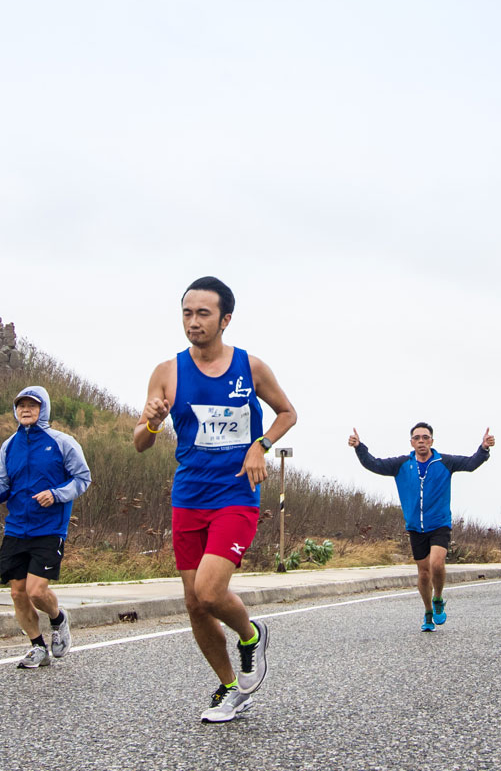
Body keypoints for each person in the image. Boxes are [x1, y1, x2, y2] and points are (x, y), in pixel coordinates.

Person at [134, 276, 298, 723]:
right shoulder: (167, 372)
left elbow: (288, 412)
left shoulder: (251, 367)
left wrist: (259, 445)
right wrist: (151, 422)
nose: (193, 322)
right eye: (187, 313)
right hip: (188, 497)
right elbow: (140, 443)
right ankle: (231, 687)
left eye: (203, 314)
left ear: (225, 319)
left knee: (209, 591)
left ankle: (251, 636)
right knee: (193, 602)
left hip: (235, 495)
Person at [0, 385, 91, 669]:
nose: (26, 410)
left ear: (43, 409)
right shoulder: (9, 445)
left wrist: (56, 494)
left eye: (32, 405)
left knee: (36, 591)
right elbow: (2, 486)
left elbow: (82, 479)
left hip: (49, 529)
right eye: (21, 405)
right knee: (17, 593)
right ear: (16, 410)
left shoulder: (62, 442)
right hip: (16, 529)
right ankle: (38, 648)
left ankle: (59, 620)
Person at [350, 422, 494, 631]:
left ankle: (438, 598)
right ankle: (427, 612)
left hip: (439, 523)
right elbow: (375, 464)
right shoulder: (402, 464)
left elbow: (471, 463)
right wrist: (359, 447)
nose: (421, 441)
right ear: (411, 442)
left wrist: (484, 449)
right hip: (416, 527)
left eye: (425, 437)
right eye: (417, 438)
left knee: (436, 564)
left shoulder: (444, 462)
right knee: (424, 573)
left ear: (432, 441)